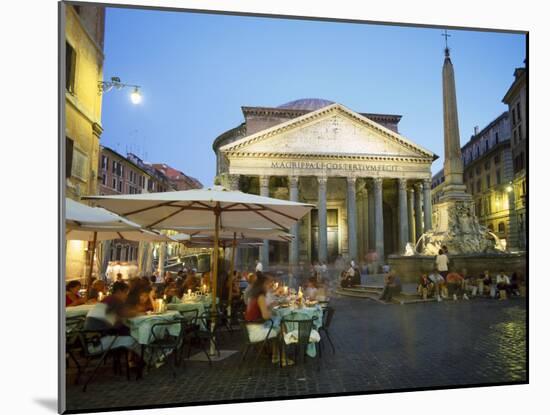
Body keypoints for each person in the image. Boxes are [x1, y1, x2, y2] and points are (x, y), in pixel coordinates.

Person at [244, 272, 284, 364]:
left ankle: (275, 354)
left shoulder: (254, 295)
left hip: (250, 328)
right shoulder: (261, 297)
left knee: (276, 323)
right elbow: (265, 316)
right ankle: (280, 357)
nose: (269, 286)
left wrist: (269, 308)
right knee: (281, 328)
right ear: (262, 285)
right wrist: (272, 312)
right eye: (267, 284)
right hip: (256, 331)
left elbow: (261, 311)